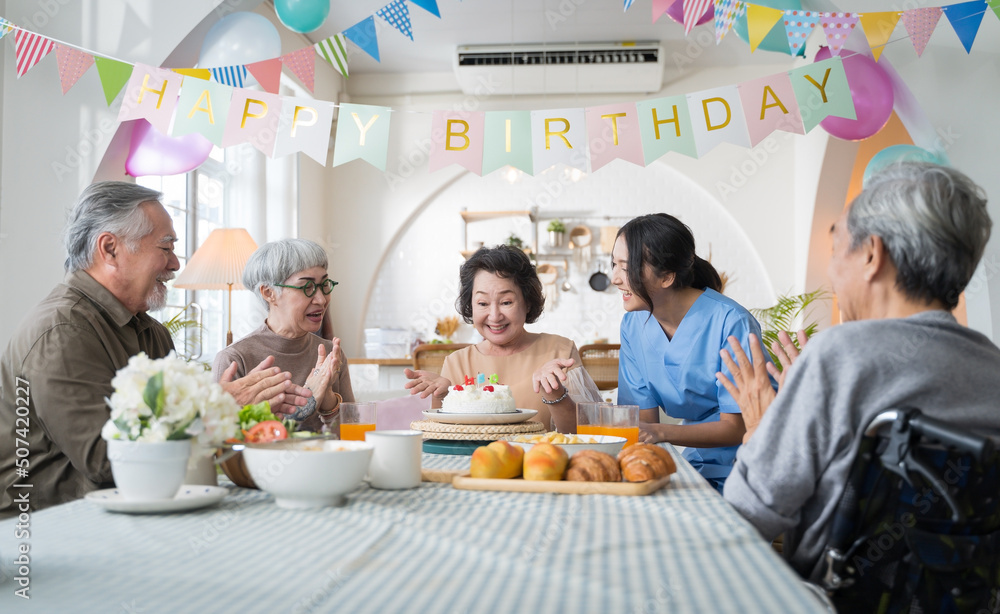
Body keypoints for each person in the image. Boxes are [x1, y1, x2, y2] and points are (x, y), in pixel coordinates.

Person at [718, 162, 1000, 581]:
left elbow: (745, 517)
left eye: (836, 251)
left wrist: (761, 428)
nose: (832, 272)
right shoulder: (992, 367)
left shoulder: (840, 354)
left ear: (872, 254)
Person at [0, 181, 311, 518]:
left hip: (137, 508)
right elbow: (107, 460)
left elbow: (179, 449)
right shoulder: (62, 330)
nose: (176, 264)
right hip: (46, 528)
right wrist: (218, 408)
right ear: (110, 249)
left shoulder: (153, 333)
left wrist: (256, 417)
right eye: (165, 248)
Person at [611, 213, 774, 492]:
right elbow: (643, 424)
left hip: (750, 464)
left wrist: (661, 433)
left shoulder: (730, 321)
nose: (614, 279)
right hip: (695, 462)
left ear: (667, 277)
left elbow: (737, 426)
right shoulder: (633, 325)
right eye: (614, 264)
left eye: (626, 268)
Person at [404, 245, 601, 431]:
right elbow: (445, 439)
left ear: (528, 303)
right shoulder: (457, 362)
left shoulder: (560, 351)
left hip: (539, 464)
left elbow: (589, 432)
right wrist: (444, 396)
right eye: (482, 303)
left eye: (506, 302)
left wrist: (555, 393)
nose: (494, 315)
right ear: (470, 306)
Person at [213, 239, 354, 433]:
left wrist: (328, 401)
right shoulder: (234, 359)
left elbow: (355, 437)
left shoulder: (332, 353)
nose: (321, 299)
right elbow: (222, 443)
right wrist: (308, 402)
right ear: (269, 293)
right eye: (308, 287)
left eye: (324, 285)